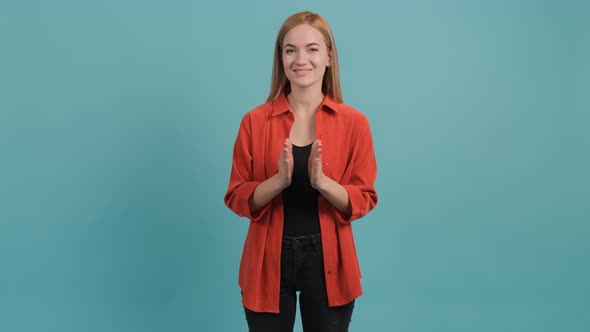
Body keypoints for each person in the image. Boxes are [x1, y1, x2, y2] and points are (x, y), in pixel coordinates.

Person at [224, 11, 378, 332]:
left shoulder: (354, 123)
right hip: (267, 262)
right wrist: (278, 181)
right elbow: (237, 197)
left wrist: (323, 183)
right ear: (280, 58)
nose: (300, 59)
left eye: (312, 49)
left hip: (330, 264)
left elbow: (363, 198)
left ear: (329, 57)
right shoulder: (254, 122)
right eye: (290, 50)